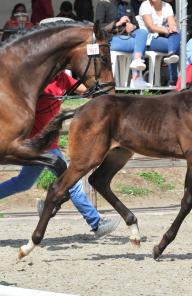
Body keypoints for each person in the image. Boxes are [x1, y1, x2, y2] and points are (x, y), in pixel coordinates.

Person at [0, 71, 121, 237]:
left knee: (23, 182)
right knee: (71, 183)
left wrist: (97, 92)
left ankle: (47, 207)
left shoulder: (62, 77)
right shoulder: (38, 80)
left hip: (46, 145)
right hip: (40, 145)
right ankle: (96, 222)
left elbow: (83, 90)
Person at [95, 0, 150, 88]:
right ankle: (136, 77)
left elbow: (137, 25)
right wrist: (118, 24)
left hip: (128, 36)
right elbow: (98, 27)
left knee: (142, 32)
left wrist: (132, 26)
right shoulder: (103, 4)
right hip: (111, 38)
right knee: (139, 43)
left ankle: (137, 61)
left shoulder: (127, 5)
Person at [138, 0, 181, 86]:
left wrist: (172, 28)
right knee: (177, 46)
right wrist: (168, 30)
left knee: (177, 33)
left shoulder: (167, 6)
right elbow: (151, 27)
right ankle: (173, 79)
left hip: (165, 36)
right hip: (149, 39)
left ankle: (171, 54)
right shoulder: (145, 5)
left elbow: (172, 23)